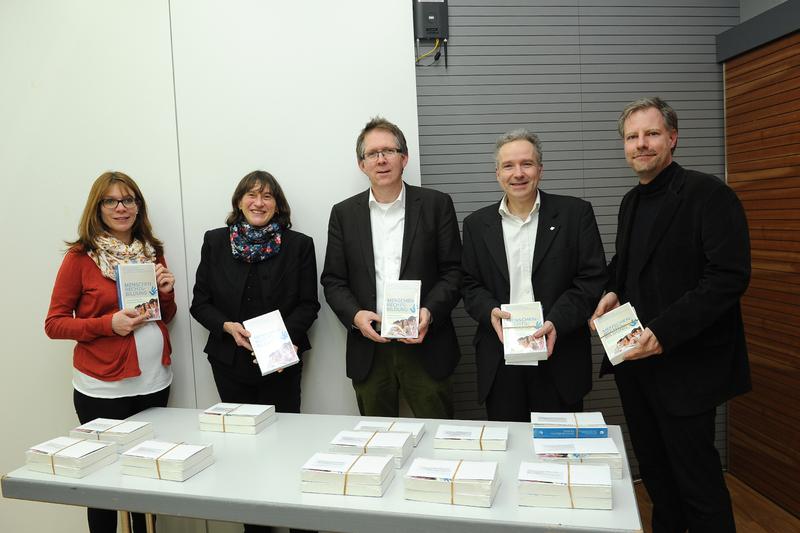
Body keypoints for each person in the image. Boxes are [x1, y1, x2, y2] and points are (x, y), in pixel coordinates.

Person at [590, 96, 751, 532]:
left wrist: (662, 332)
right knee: (657, 478)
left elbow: (728, 277)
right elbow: (627, 266)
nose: (641, 144)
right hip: (636, 366)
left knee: (697, 483)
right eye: (632, 137)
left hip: (687, 366)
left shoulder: (709, 194)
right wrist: (610, 291)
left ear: (672, 138)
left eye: (651, 134)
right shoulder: (631, 201)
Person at [45, 171, 177, 533]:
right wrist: (108, 324)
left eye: (129, 200)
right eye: (112, 201)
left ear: (139, 206)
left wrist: (165, 292)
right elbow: (54, 324)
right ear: (98, 207)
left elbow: (165, 316)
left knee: (145, 476)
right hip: (103, 389)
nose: (122, 208)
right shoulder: (80, 257)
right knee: (103, 479)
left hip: (154, 383)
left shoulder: (151, 251)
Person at [190, 170, 319, 533]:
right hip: (230, 363)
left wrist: (279, 342)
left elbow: (309, 305)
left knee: (288, 448)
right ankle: (256, 528)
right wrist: (227, 327)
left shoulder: (299, 244)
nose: (258, 202)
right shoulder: (215, 242)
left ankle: (298, 523)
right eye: (251, 195)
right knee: (243, 453)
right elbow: (200, 304)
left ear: (278, 205)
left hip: (281, 364)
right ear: (239, 201)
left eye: (267, 196)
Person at [321, 117, 462, 419]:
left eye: (389, 150)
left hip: (426, 345)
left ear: (404, 158)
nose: (381, 159)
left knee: (438, 438)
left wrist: (430, 312)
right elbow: (333, 280)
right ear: (362, 164)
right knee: (377, 443)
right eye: (372, 153)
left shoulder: (437, 205)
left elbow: (454, 272)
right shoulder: (344, 214)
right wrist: (356, 317)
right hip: (370, 347)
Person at [461, 129, 607, 422]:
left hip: (559, 353)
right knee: (509, 450)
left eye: (526, 164)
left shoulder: (575, 214)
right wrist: (490, 311)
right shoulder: (476, 224)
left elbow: (591, 279)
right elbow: (469, 284)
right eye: (508, 165)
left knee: (560, 453)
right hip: (501, 357)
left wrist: (556, 322)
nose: (518, 173)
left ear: (540, 169)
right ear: (497, 173)